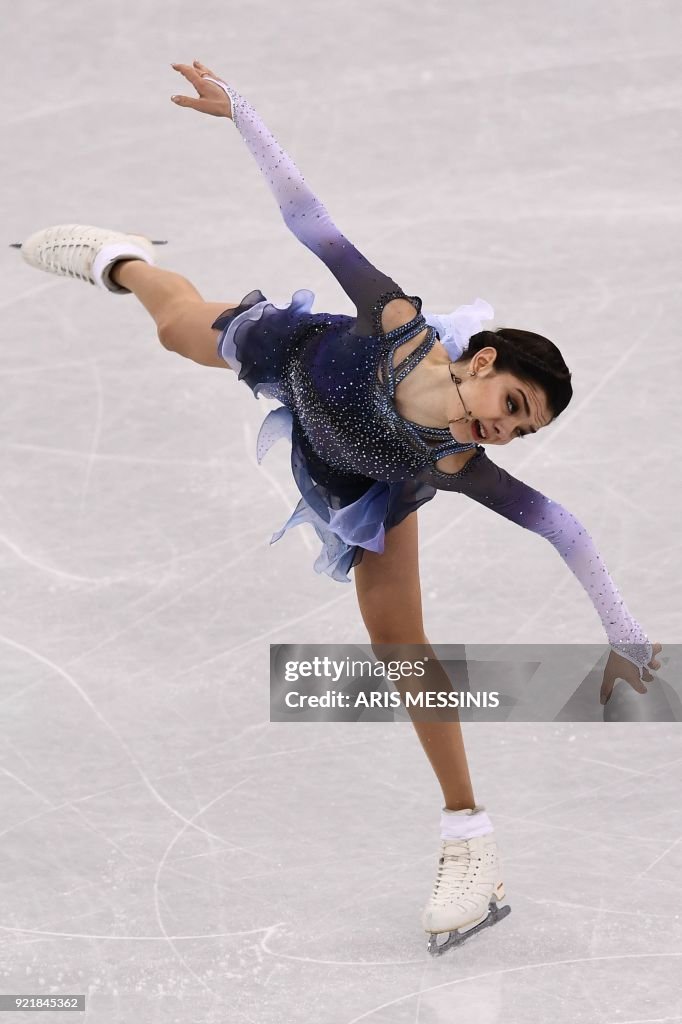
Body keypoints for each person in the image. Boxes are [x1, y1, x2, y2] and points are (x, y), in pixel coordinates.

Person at [16, 60, 662, 955]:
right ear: (482, 364)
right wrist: (242, 113)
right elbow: (308, 219)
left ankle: (469, 838)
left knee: (402, 648)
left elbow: (564, 527)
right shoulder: (394, 319)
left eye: (526, 431)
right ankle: (120, 260)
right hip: (296, 360)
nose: (510, 432)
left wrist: (622, 630)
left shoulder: (460, 462)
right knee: (173, 326)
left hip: (367, 481)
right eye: (514, 404)